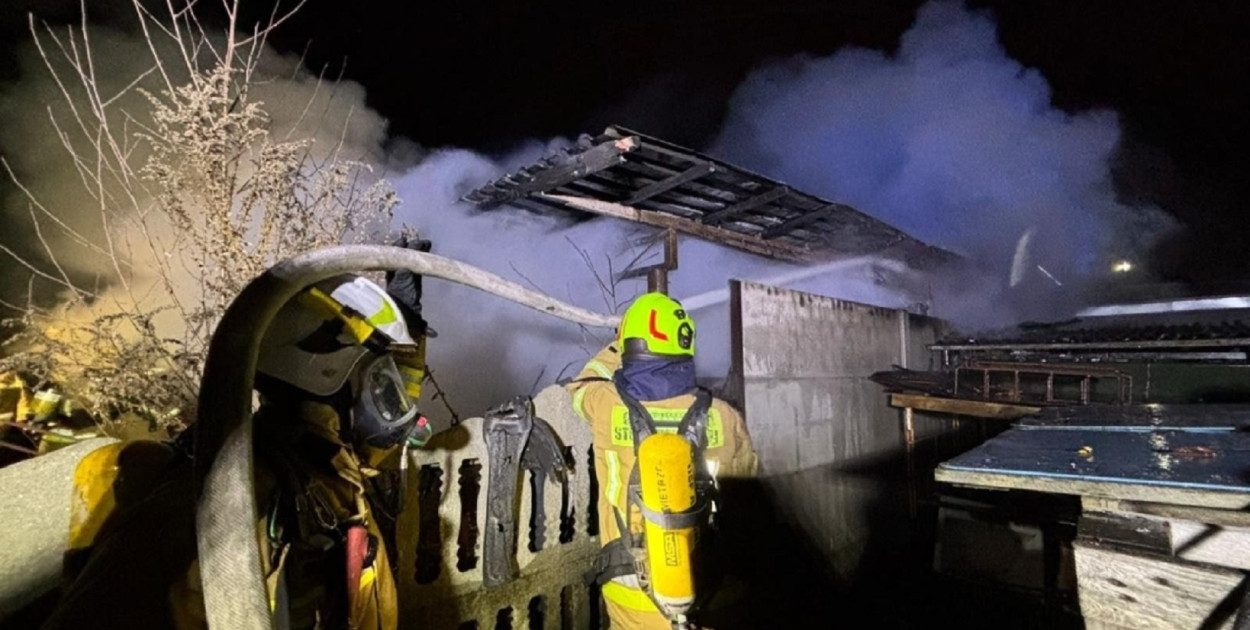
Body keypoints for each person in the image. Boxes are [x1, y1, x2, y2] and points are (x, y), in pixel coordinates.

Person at [39, 271, 432, 630]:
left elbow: (375, 447)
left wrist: (410, 338)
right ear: (322, 375)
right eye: (379, 381)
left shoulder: (325, 464)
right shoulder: (231, 493)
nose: (390, 396)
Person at [566, 292, 758, 630]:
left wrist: (617, 345)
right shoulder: (725, 416)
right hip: (711, 591)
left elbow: (581, 385)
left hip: (632, 597)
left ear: (630, 343)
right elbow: (749, 494)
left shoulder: (606, 405)